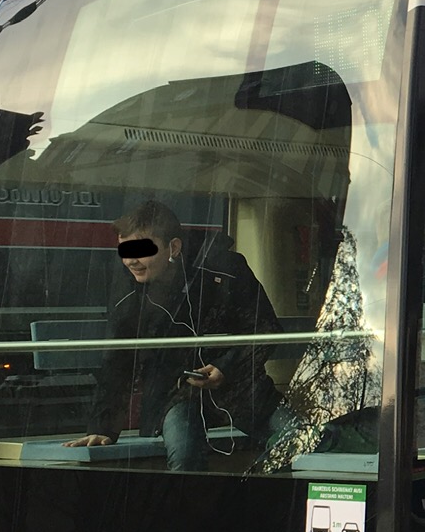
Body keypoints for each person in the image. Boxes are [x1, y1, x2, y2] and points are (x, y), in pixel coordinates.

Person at [65, 200, 281, 472]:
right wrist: (103, 427)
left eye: (142, 250)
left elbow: (265, 329)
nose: (131, 260)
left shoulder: (224, 267)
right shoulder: (127, 289)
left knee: (305, 442)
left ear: (174, 248)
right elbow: (118, 357)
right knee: (184, 457)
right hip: (176, 395)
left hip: (240, 388)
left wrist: (225, 367)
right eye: (125, 250)